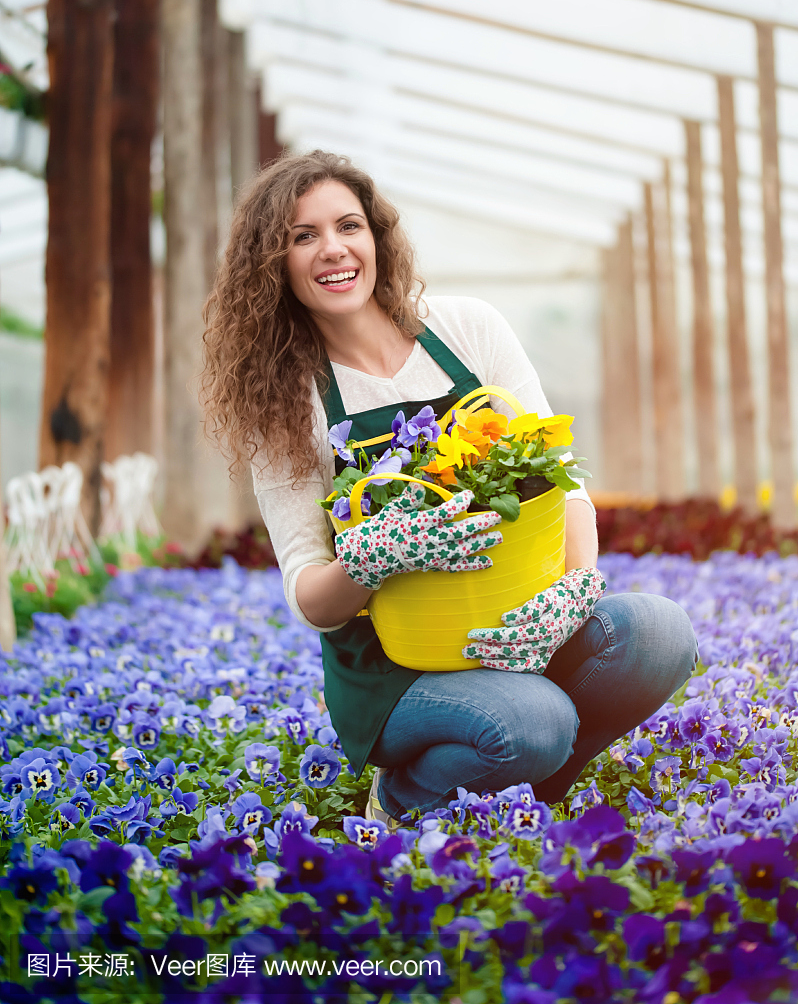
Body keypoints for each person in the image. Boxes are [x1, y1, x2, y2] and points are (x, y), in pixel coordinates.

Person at [201, 150, 698, 824]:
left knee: (659, 635)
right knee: (536, 723)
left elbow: (563, 479)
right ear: (273, 262)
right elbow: (312, 596)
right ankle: (409, 796)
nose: (332, 250)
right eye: (302, 236)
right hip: (396, 667)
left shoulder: (466, 329)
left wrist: (572, 589)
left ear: (376, 235)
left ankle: (517, 790)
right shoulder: (287, 400)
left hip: (515, 623)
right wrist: (373, 558)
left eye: (348, 225)